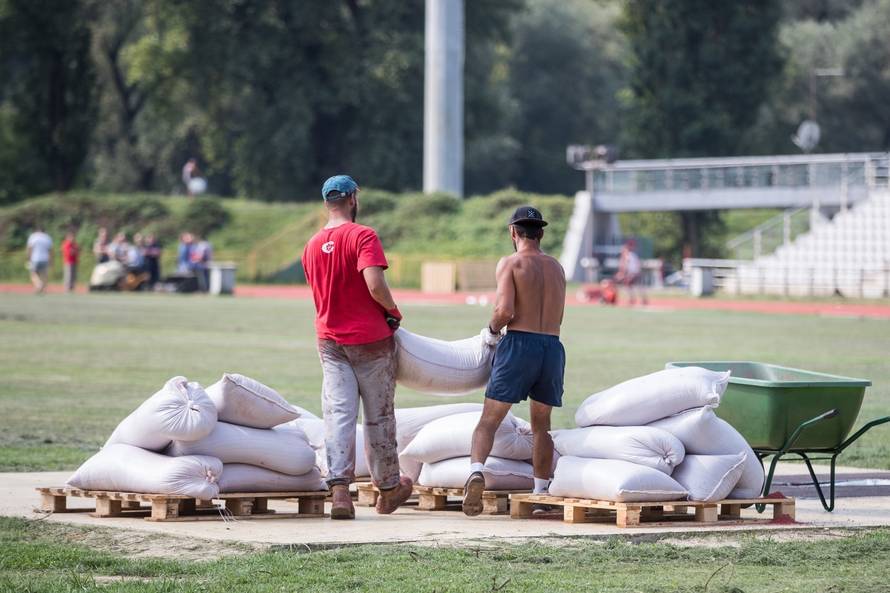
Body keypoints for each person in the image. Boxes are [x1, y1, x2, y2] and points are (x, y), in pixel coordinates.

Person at [301, 174, 412, 520]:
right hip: (370, 340)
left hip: (329, 340)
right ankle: (389, 488)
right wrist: (392, 312)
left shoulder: (311, 245)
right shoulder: (363, 235)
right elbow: (374, 284)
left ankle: (339, 495)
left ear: (326, 203)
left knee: (338, 415)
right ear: (352, 198)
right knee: (378, 416)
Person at [463, 206, 566, 517]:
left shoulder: (511, 263)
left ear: (513, 232)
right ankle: (539, 491)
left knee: (488, 421)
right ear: (542, 234)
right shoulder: (557, 267)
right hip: (552, 346)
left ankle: (477, 471)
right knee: (541, 428)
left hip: (519, 343)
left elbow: (505, 310)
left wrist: (491, 331)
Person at [614, 239, 647, 305]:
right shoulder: (632, 255)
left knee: (632, 286)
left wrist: (622, 273)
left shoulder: (628, 255)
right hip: (635, 272)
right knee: (635, 286)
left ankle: (634, 299)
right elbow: (637, 264)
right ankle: (641, 299)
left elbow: (625, 265)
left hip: (632, 273)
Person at [26, 226, 53, 294]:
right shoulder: (47, 237)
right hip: (45, 258)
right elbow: (50, 250)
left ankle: (39, 285)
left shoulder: (33, 236)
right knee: (44, 275)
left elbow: (29, 249)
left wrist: (28, 258)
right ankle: (43, 289)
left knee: (33, 274)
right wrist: (51, 260)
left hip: (35, 258)